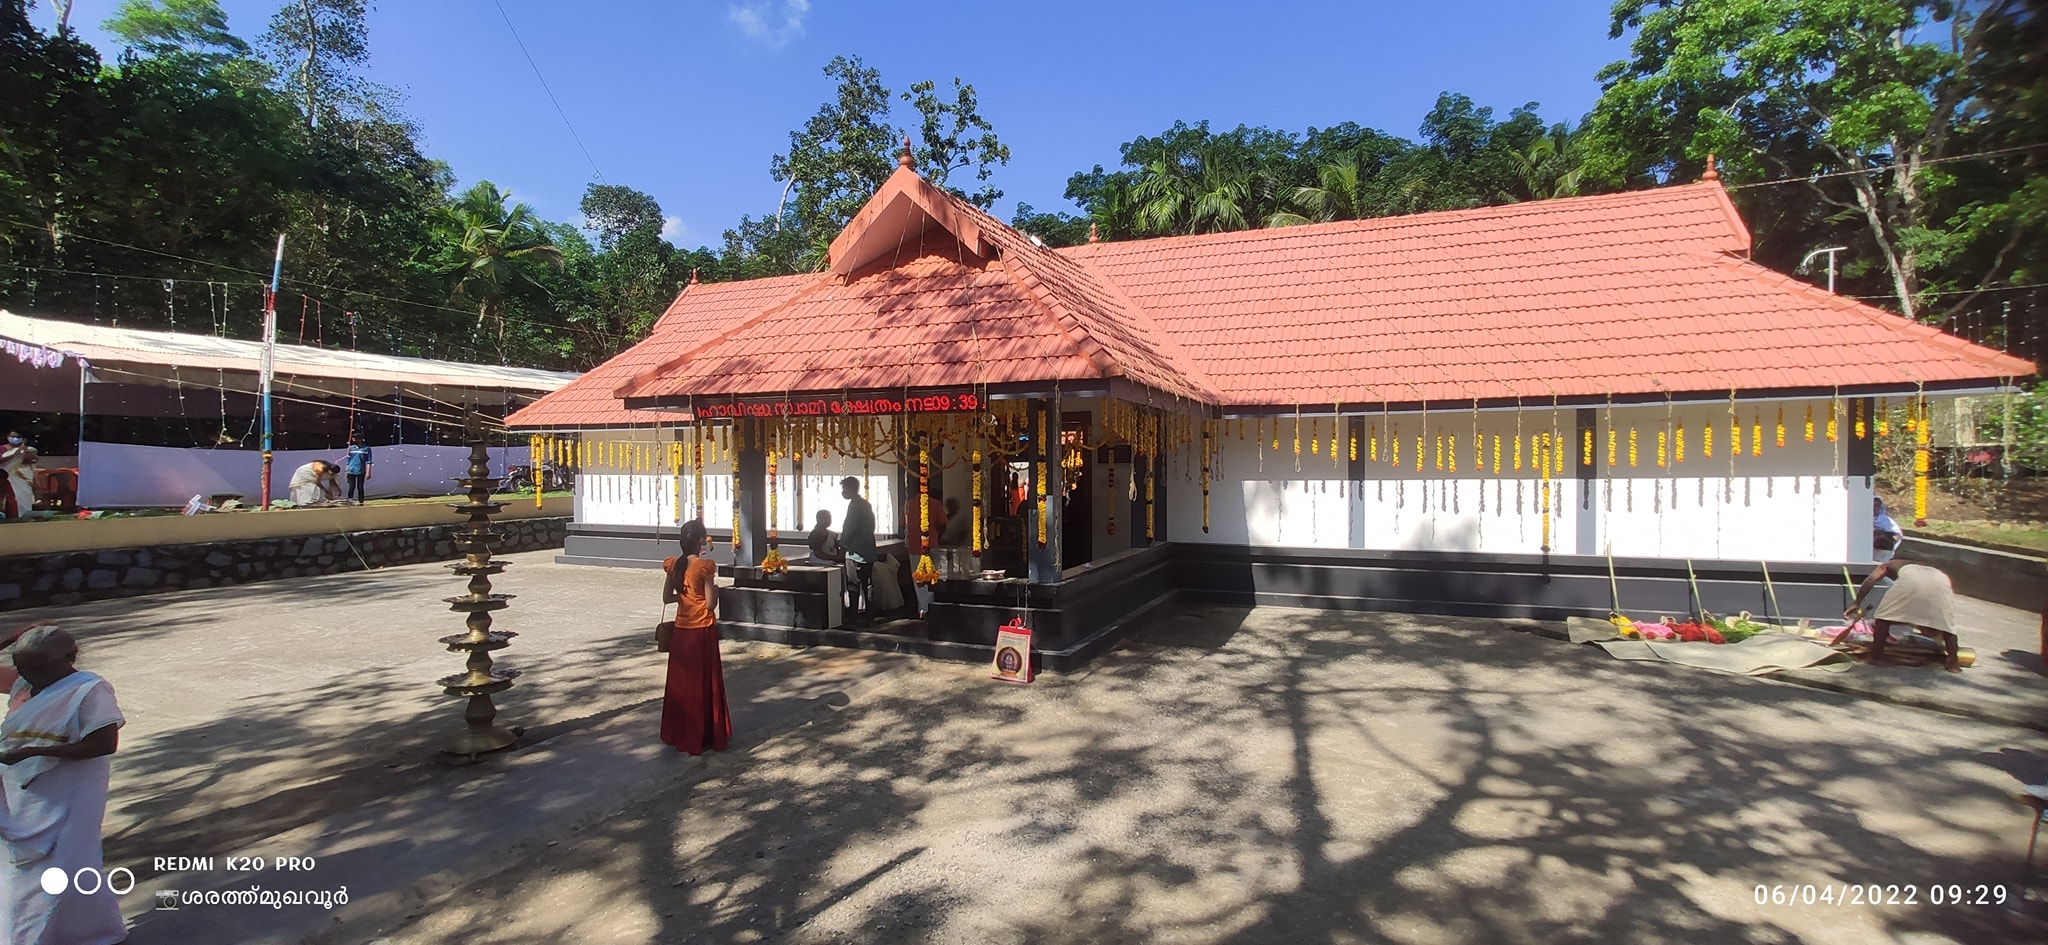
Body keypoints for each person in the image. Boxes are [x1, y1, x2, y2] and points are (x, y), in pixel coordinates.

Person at [0, 625, 126, 945]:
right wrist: (14, 635)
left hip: (69, 793)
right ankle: (85, 930)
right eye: (21, 667)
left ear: (69, 657)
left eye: (37, 667)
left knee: (66, 863)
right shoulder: (24, 685)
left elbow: (102, 744)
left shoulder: (89, 689)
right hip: (22, 793)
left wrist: (36, 751)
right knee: (22, 869)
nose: (29, 674)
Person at [660, 520, 730, 755]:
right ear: (701, 540)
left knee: (683, 683)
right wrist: (717, 592)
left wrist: (685, 598)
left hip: (682, 629)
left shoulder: (673, 564)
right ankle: (706, 733)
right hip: (701, 628)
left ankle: (679, 732)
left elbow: (666, 598)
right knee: (704, 682)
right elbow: (710, 604)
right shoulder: (704, 566)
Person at [1843, 556, 1962, 672]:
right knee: (1946, 625)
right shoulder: (1928, 567)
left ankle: (1876, 657)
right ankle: (1954, 664)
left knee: (1883, 619)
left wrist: (1856, 603)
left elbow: (1871, 579)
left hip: (1912, 580)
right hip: (1941, 582)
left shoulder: (1889, 564)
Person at [839, 477, 877, 625]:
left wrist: (843, 542)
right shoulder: (866, 505)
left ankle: (853, 618)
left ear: (852, 488)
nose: (843, 492)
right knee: (867, 584)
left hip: (854, 552)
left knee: (853, 584)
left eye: (845, 489)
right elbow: (872, 525)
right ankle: (869, 616)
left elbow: (849, 527)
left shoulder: (854, 506)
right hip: (869, 550)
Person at [0, 432, 36, 520]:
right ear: (8, 437)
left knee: (17, 497)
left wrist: (24, 452)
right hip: (5, 475)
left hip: (18, 477)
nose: (15, 438)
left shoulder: (28, 449)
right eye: (13, 436)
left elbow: (31, 461)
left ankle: (18, 516)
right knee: (7, 497)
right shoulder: (2, 449)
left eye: (18, 437)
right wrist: (15, 453)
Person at [344, 434, 373, 505]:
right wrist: (346, 471)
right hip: (351, 470)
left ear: (360, 439)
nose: (354, 440)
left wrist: (368, 472)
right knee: (351, 486)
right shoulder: (351, 448)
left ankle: (361, 501)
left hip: (361, 470)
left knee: (360, 487)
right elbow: (347, 461)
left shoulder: (366, 448)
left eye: (355, 439)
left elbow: (369, 461)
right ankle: (350, 500)